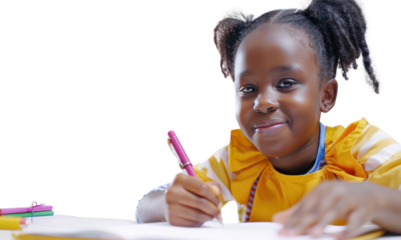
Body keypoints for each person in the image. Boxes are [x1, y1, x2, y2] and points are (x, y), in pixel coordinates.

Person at [135, 0, 400, 238]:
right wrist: (169, 204)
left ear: (326, 96)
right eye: (248, 89)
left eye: (285, 83)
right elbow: (145, 204)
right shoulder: (236, 161)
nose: (262, 102)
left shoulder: (361, 147)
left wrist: (373, 200)